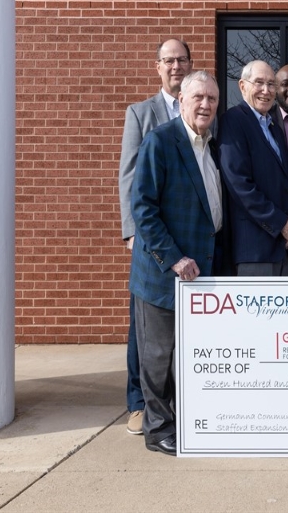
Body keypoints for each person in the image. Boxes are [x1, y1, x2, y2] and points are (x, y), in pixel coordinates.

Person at [129, 71, 223, 456]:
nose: (205, 105)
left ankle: (181, 422)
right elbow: (144, 209)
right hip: (165, 273)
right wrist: (173, 259)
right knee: (157, 355)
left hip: (199, 274)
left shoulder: (210, 145)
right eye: (198, 97)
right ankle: (157, 429)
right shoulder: (162, 141)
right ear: (181, 99)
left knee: (183, 357)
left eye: (213, 99)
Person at [118, 38, 193, 435]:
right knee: (144, 327)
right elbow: (129, 176)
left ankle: (174, 399)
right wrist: (132, 232)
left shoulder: (202, 109)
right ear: (158, 67)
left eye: (182, 60)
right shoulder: (141, 113)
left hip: (187, 237)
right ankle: (137, 403)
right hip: (151, 240)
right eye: (169, 61)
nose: (175, 67)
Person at [218, 60, 288, 276]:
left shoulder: (274, 126)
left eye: (271, 84)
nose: (266, 91)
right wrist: (282, 224)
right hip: (256, 250)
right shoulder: (233, 121)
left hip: (287, 247)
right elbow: (240, 185)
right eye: (259, 83)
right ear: (242, 86)